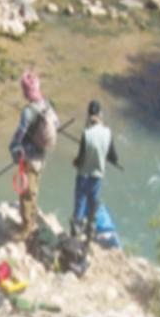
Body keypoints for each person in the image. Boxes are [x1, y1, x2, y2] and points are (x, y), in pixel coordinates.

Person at [9, 71, 60, 240]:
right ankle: (31, 219)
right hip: (42, 156)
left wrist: (14, 150)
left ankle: (26, 228)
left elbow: (19, 135)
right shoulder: (47, 105)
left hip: (29, 158)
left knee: (25, 193)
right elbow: (56, 124)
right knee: (34, 189)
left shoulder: (28, 111)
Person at [71, 100, 119, 244]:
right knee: (92, 206)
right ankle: (90, 236)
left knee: (79, 206)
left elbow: (80, 159)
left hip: (83, 176)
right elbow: (114, 157)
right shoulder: (108, 133)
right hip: (96, 177)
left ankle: (74, 236)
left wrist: (75, 162)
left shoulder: (86, 134)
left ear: (89, 115)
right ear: (100, 114)